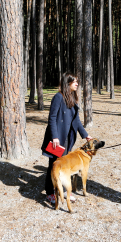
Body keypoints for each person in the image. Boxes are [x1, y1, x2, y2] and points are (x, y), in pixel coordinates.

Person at [41, 73, 92, 205]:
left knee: (64, 166)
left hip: (68, 138)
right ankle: (50, 193)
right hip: (58, 139)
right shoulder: (58, 97)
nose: (77, 84)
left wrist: (85, 135)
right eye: (74, 82)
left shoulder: (72, 99)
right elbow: (51, 118)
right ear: (67, 83)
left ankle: (62, 191)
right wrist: (55, 137)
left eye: (77, 82)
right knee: (54, 165)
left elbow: (77, 121)